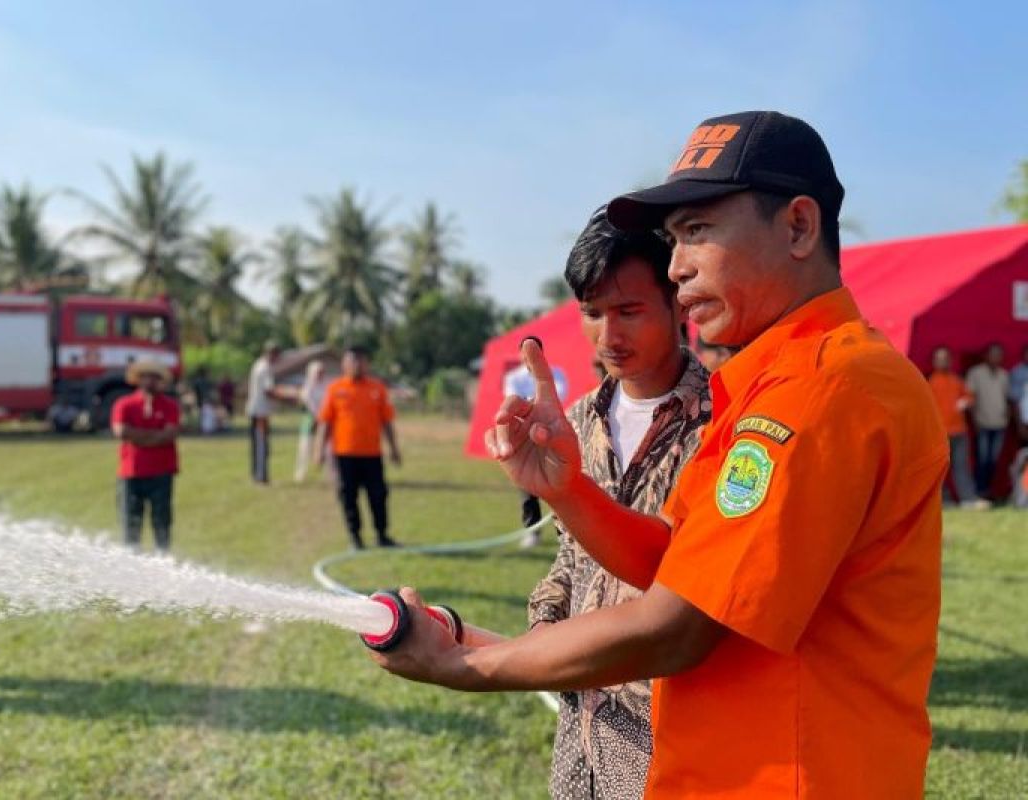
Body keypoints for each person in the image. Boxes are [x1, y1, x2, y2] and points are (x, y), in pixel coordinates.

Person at [371, 111, 947, 799]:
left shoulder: (823, 389)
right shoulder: (774, 382)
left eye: (698, 231)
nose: (676, 267)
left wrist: (466, 667)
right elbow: (675, 561)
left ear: (798, 226)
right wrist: (568, 490)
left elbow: (675, 627)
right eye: (674, 239)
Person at [526, 209, 710, 799]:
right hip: (583, 726)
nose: (609, 336)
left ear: (678, 304)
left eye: (629, 311)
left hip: (679, 735)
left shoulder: (723, 426)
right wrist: (543, 627)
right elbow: (569, 560)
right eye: (591, 313)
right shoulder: (576, 423)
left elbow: (698, 598)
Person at [315, 346, 402, 549]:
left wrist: (394, 449)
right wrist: (318, 450)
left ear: (367, 364)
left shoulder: (377, 388)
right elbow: (325, 423)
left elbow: (387, 421)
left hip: (372, 454)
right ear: (344, 364)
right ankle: (355, 538)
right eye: (352, 361)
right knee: (348, 496)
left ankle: (382, 535)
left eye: (360, 361)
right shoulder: (335, 389)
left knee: (378, 495)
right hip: (344, 454)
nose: (356, 365)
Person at [503, 338, 569, 547]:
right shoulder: (514, 377)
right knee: (527, 487)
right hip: (524, 438)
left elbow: (559, 393)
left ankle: (566, 533)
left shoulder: (555, 373)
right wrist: (536, 403)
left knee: (559, 486)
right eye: (525, 352)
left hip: (551, 435)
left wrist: (532, 403)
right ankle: (532, 531)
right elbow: (513, 399)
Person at [111, 360, 180, 552]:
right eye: (145, 377)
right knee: (130, 523)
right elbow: (120, 431)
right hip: (131, 471)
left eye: (154, 377)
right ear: (138, 380)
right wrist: (154, 436)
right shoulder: (124, 404)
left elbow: (170, 434)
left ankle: (163, 560)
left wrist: (138, 436)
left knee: (162, 522)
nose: (150, 381)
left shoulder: (170, 406)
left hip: (161, 471)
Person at [929, 346, 989, 509]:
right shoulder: (930, 382)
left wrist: (965, 402)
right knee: (938, 469)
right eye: (939, 358)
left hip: (959, 431)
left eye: (945, 358)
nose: (943, 361)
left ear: (950, 360)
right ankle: (942, 500)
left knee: (961, 466)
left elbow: (969, 396)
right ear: (934, 362)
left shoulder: (957, 380)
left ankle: (968, 499)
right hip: (938, 433)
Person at [965, 342, 1010, 495]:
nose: (996, 357)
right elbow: (970, 399)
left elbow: (1007, 399)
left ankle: (989, 490)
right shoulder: (975, 373)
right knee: (982, 459)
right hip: (982, 422)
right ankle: (980, 490)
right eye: (993, 354)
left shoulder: (1004, 375)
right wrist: (974, 420)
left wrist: (1007, 417)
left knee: (994, 460)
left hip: (1000, 423)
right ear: (986, 355)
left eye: (999, 354)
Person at [246, 342, 284, 484]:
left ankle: (258, 475)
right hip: (260, 412)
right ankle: (260, 476)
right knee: (261, 446)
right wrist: (287, 396)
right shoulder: (265, 368)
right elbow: (269, 391)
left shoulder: (258, 364)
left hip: (258, 410)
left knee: (258, 445)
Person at [294, 360, 331, 482]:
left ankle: (330, 473)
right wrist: (317, 416)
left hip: (324, 420)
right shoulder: (307, 386)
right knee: (305, 447)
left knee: (328, 447)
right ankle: (301, 473)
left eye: (321, 372)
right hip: (310, 420)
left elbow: (328, 402)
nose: (320, 374)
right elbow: (308, 403)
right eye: (317, 372)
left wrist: (323, 417)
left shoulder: (326, 385)